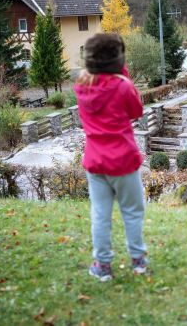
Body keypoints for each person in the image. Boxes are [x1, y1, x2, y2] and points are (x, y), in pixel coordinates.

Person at [74, 33, 148, 281]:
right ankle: (138, 261)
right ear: (117, 60)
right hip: (123, 161)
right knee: (132, 212)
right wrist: (123, 73)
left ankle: (103, 266)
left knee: (100, 215)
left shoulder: (81, 86)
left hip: (95, 162)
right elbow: (136, 110)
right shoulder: (123, 86)